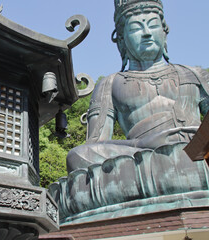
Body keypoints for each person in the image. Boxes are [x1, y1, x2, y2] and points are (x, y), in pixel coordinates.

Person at [66, 0, 209, 173]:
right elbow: (95, 144)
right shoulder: (109, 84)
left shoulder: (194, 74)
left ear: (164, 32)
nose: (147, 33)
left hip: (195, 151)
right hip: (141, 155)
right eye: (136, 28)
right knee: (78, 155)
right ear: (121, 38)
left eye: (153, 25)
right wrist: (142, 143)